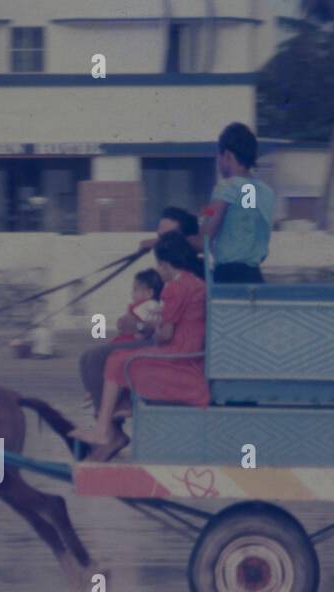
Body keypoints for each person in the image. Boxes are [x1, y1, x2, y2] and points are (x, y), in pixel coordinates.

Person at [72, 232, 209, 461]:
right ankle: (109, 422)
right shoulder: (195, 283)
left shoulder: (175, 288)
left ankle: (104, 428)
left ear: (164, 265)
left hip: (179, 356)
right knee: (121, 359)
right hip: (189, 353)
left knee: (117, 361)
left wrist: (150, 325)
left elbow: (166, 335)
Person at [78, 268, 163, 412]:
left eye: (136, 290)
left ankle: (102, 406)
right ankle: (93, 392)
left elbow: (150, 326)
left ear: (149, 293)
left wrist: (138, 328)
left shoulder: (150, 305)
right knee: (85, 358)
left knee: (96, 356)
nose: (132, 293)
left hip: (140, 341)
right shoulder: (140, 306)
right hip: (128, 338)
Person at [200, 122, 274, 284]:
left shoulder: (227, 186)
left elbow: (204, 237)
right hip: (255, 277)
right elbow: (246, 218)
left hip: (229, 276)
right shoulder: (266, 192)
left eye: (219, 156)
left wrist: (205, 211)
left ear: (227, 155)